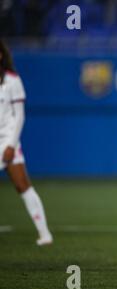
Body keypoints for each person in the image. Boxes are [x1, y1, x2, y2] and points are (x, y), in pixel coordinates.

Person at [0, 40, 53, 246]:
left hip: (7, 141)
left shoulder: (12, 81)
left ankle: (44, 233)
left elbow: (19, 116)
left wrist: (12, 145)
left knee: (22, 185)